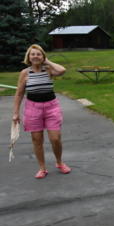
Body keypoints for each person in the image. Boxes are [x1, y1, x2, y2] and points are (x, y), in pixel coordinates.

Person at [12, 44, 71, 179]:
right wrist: (15, 113)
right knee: (37, 140)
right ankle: (42, 168)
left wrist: (48, 61)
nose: (35, 56)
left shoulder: (49, 69)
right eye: (33, 54)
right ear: (29, 57)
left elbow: (62, 70)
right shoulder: (25, 73)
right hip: (33, 108)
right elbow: (19, 94)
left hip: (51, 107)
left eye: (38, 54)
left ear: (43, 56)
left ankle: (59, 162)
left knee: (55, 138)